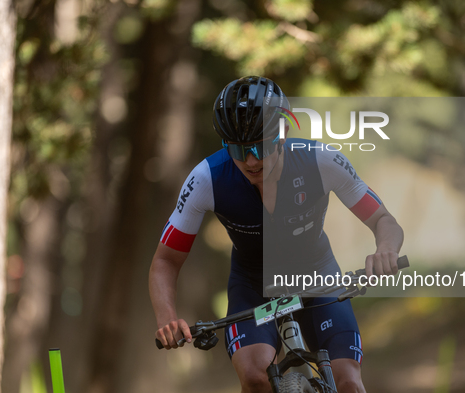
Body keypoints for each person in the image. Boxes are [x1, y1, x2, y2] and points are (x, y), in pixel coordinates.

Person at [149, 76, 404, 393]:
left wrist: (386, 250)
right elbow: (166, 260)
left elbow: (383, 219)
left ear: (283, 133)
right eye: (239, 150)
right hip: (253, 286)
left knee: (348, 382)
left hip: (318, 277)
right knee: (255, 379)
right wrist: (167, 318)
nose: (251, 160)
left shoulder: (321, 160)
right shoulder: (206, 178)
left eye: (261, 145)